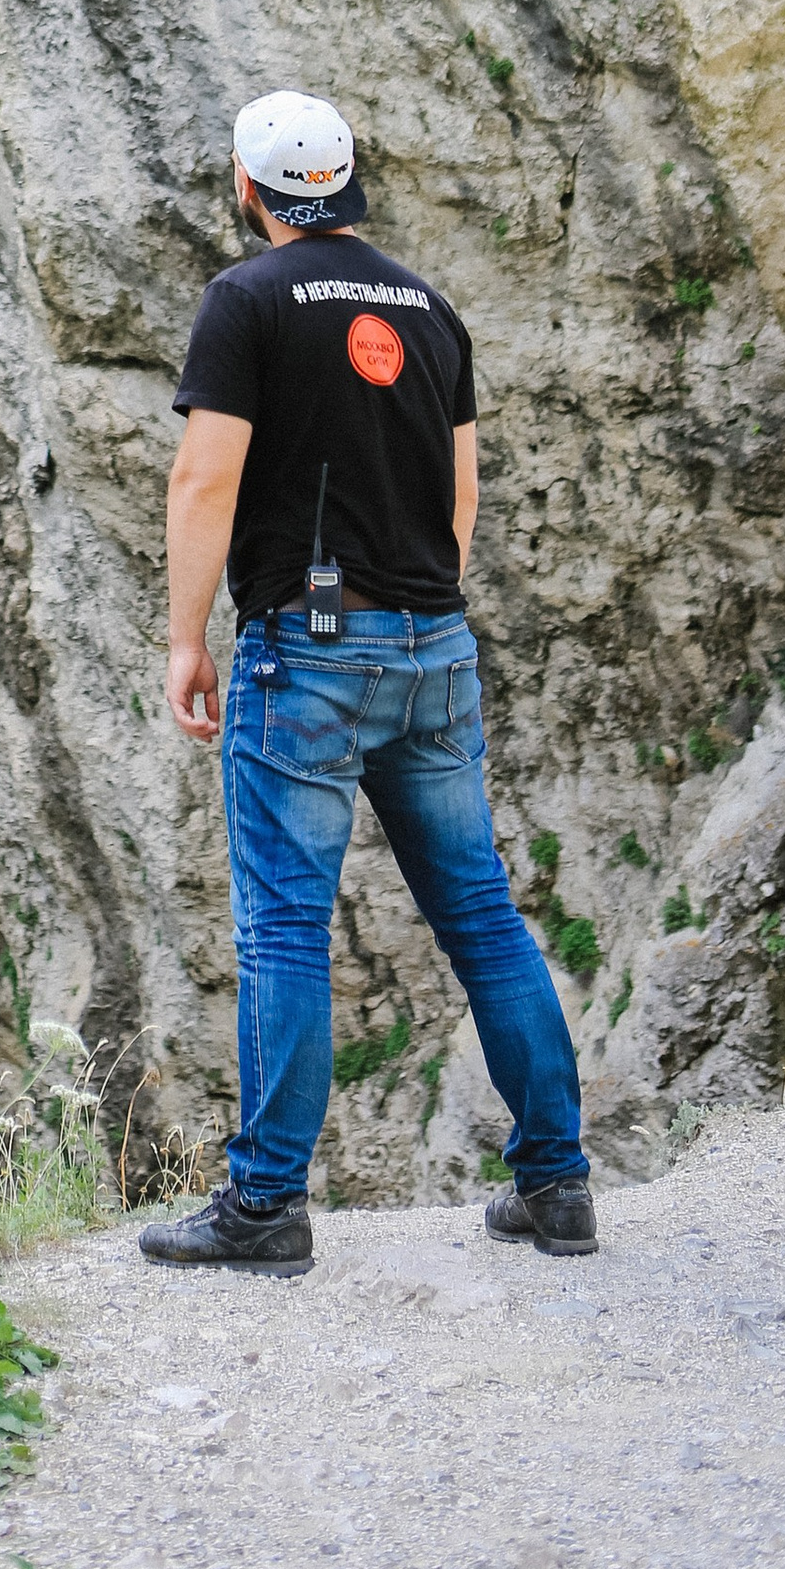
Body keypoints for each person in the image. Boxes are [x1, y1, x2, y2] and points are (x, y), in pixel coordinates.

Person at [139, 89, 593, 1276]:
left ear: (249, 191)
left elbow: (204, 482)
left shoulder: (244, 300)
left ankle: (266, 1206)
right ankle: (556, 1186)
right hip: (433, 644)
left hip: (309, 647)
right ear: (348, 182)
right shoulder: (429, 310)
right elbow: (461, 500)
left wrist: (189, 638)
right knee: (485, 920)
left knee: (286, 926)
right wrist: (414, 612)